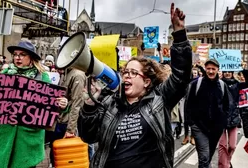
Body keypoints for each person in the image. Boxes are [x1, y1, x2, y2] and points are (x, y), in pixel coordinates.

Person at [78, 3, 191, 168]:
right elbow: (88, 137)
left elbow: (181, 75)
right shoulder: (110, 102)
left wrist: (179, 34)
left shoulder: (159, 100)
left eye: (133, 73)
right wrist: (89, 106)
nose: (127, 76)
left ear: (146, 82)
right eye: (125, 72)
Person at [0, 40, 68, 168]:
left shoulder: (42, 78)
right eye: (15, 54)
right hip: (4, 136)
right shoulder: (4, 75)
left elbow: (52, 106)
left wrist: (63, 105)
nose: (18, 57)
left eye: (22, 54)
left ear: (31, 58)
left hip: (28, 139)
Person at [185, 59, 232, 168]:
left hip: (216, 129)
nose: (211, 71)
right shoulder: (196, 84)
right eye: (208, 69)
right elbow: (188, 105)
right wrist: (191, 123)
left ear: (218, 70)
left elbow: (226, 105)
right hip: (199, 127)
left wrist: (223, 123)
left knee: (208, 157)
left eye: (213, 69)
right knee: (204, 157)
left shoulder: (222, 85)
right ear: (205, 69)